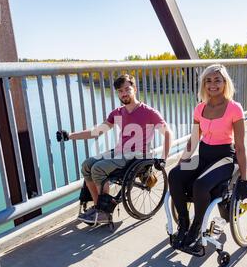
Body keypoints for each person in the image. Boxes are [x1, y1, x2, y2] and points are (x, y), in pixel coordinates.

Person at [56, 74, 173, 224]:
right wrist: (69, 135)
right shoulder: (117, 112)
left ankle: (103, 211)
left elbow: (167, 132)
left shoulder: (149, 112)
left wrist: (163, 159)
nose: (123, 93)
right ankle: (100, 206)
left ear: (135, 89)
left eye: (127, 89)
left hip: (138, 156)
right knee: (87, 165)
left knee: (98, 168)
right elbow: (96, 131)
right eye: (120, 91)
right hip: (120, 152)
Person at [168, 64, 247, 253]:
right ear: (203, 84)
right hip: (204, 155)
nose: (213, 84)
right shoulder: (199, 108)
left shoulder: (234, 108)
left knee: (200, 185)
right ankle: (183, 223)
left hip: (224, 158)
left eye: (217, 80)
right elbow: (194, 138)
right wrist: (183, 161)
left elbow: (240, 146)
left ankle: (196, 228)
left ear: (225, 83)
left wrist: (244, 179)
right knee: (175, 175)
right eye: (208, 80)